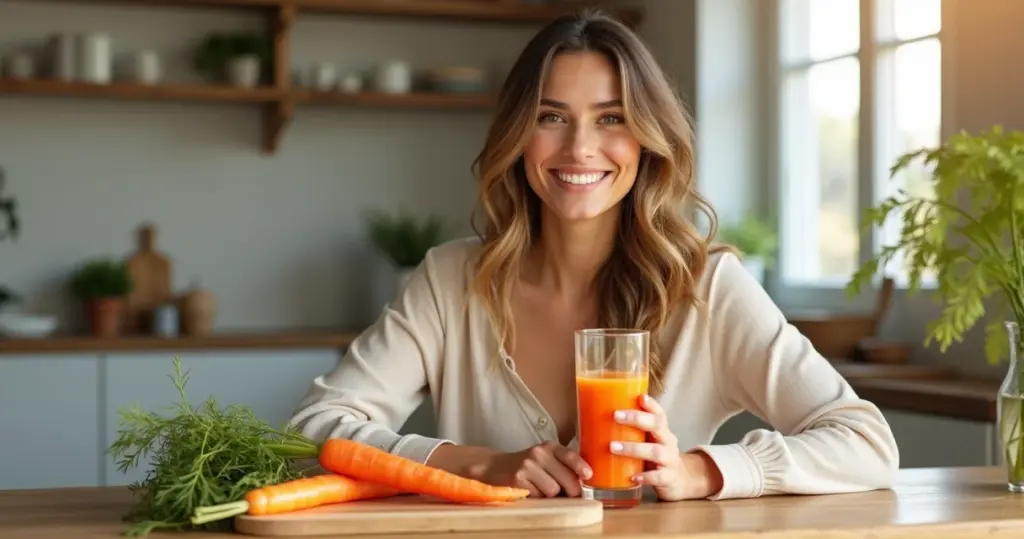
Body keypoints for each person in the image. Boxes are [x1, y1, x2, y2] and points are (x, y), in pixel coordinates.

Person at [289, 10, 899, 502]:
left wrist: (700, 471)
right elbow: (310, 429)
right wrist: (476, 464)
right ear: (518, 136)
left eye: (612, 118)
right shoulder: (452, 280)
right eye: (551, 117)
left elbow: (866, 441)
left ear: (647, 139)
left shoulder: (706, 287)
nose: (580, 148)